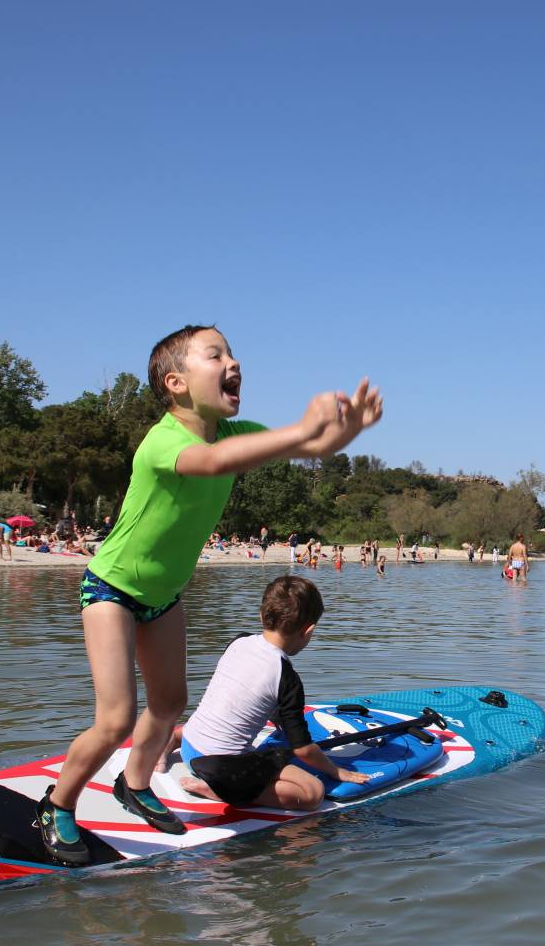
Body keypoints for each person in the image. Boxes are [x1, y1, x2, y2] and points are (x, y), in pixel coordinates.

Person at [37, 324, 383, 866]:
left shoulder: (235, 432)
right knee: (116, 718)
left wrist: (345, 431)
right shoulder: (164, 440)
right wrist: (304, 427)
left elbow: (314, 446)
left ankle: (135, 784)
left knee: (170, 704)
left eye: (233, 353)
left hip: (164, 596)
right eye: (215, 354)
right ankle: (57, 805)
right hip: (111, 587)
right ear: (175, 383)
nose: (233, 362)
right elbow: (215, 462)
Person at [179, 577, 369, 810]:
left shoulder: (239, 641)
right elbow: (302, 750)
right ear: (308, 630)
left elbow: (242, 691)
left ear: (262, 616)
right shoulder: (286, 677)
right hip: (221, 770)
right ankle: (221, 792)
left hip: (188, 747)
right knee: (312, 792)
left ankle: (171, 743)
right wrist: (335, 770)